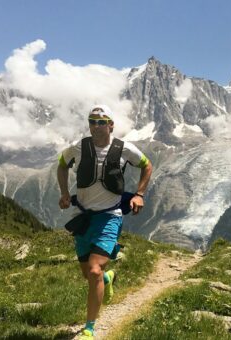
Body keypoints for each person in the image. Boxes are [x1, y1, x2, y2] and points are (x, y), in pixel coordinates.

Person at [57, 105, 152, 340]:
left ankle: (89, 328)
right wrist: (64, 193)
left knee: (94, 269)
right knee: (87, 275)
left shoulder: (124, 149)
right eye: (92, 121)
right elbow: (61, 164)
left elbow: (147, 165)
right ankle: (108, 279)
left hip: (110, 216)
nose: (96, 126)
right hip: (84, 217)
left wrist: (139, 194)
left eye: (101, 122)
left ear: (111, 125)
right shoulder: (78, 147)